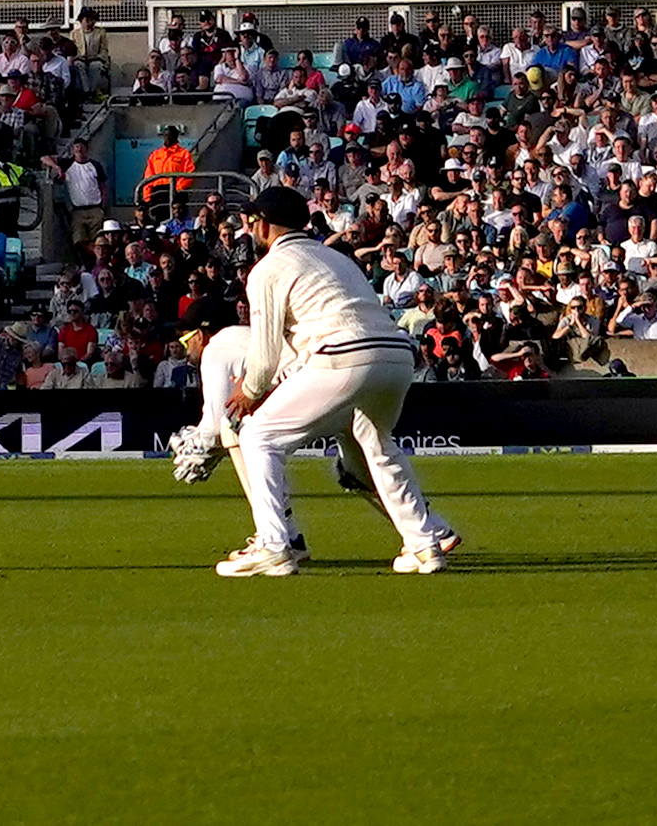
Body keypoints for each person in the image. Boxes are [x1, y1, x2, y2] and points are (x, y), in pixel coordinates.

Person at [173, 182, 456, 581]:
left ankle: (274, 546)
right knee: (376, 443)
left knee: (257, 435)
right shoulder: (336, 257)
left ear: (264, 224)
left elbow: (266, 352)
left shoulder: (268, 269)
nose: (250, 227)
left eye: (253, 220)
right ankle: (424, 543)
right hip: (395, 356)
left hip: (344, 355)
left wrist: (249, 392)